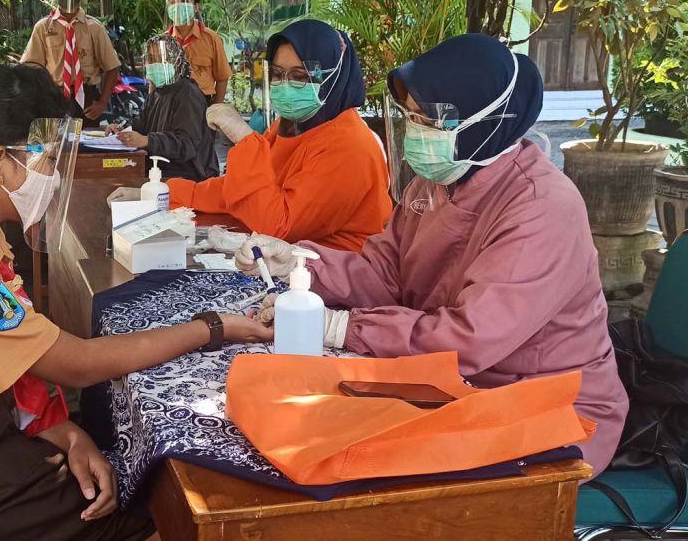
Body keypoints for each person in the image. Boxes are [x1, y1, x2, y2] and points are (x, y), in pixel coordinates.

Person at [0, 61, 272, 541]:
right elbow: (76, 364)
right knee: (142, 516)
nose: (54, 174)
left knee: (113, 456)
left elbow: (4, 356)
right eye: (42, 156)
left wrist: (64, 431)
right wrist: (212, 327)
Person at [238, 34, 628, 477]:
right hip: (455, 382)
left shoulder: (542, 207)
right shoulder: (436, 181)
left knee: (353, 466)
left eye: (432, 121)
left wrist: (343, 326)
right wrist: (301, 263)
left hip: (546, 406)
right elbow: (384, 273)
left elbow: (471, 340)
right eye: (413, 117)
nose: (416, 132)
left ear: (487, 122)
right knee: (287, 415)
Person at [163, 20, 392, 253]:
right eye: (277, 74)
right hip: (283, 259)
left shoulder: (351, 146)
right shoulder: (290, 126)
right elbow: (243, 189)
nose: (285, 85)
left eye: (300, 76)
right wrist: (166, 194)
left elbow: (279, 226)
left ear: (333, 78)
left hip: (332, 275)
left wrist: (246, 140)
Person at [105, 33, 219, 181]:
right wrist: (121, 131)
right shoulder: (158, 93)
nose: (155, 64)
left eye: (162, 58)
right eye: (151, 59)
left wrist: (148, 141)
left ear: (176, 61)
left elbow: (186, 143)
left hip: (189, 175)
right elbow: (140, 125)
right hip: (161, 170)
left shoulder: (187, 94)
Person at [21, 0, 120, 126]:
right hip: (54, 97)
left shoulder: (94, 28)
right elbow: (31, 67)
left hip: (87, 98)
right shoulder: (43, 27)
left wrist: (102, 103)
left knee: (87, 146)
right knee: (55, 147)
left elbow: (112, 67)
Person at [166, 0, 232, 105]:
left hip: (202, 105)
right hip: (169, 107)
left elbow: (222, 78)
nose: (177, 6)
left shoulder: (211, 39)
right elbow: (153, 83)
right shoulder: (162, 42)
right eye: (172, 2)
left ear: (196, 7)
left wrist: (213, 111)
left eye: (184, 1)